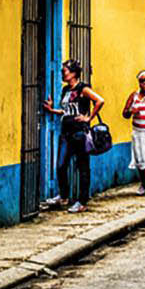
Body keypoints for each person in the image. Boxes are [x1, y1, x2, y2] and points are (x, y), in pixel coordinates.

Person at [42, 59, 104, 213]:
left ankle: (82, 202)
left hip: (79, 133)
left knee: (83, 167)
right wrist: (52, 110)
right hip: (66, 133)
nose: (63, 73)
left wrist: (89, 118)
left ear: (74, 73)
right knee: (61, 165)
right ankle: (63, 197)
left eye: (65, 71)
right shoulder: (65, 90)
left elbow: (100, 101)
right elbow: (67, 111)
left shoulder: (83, 89)